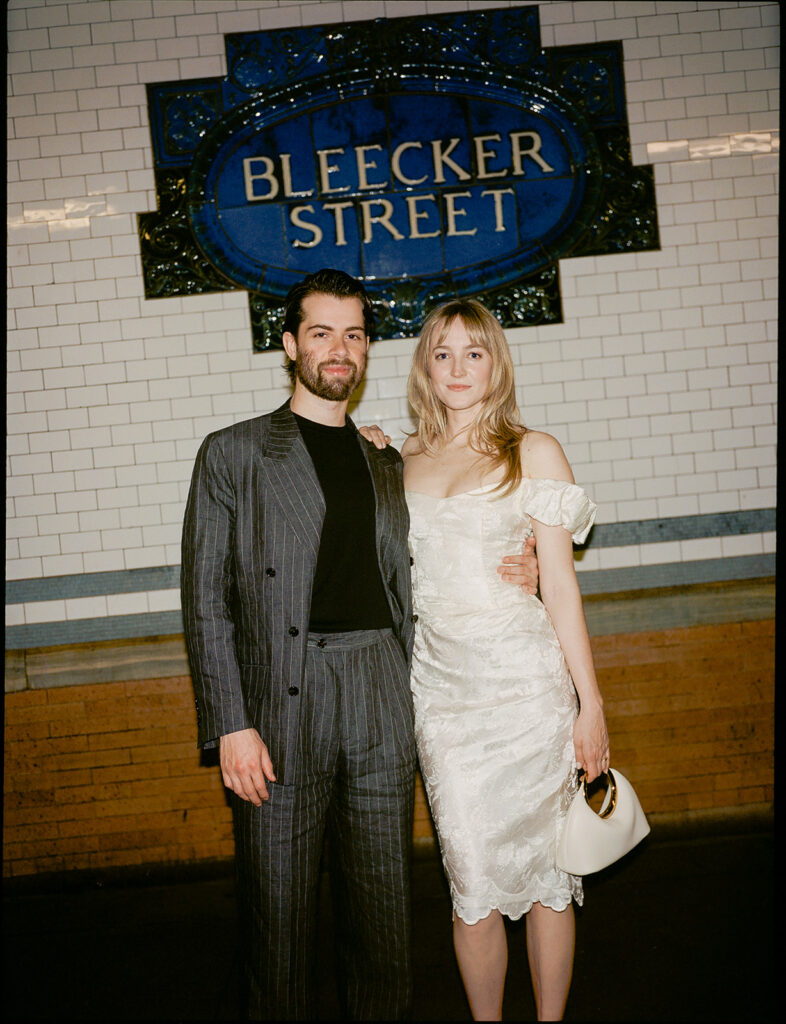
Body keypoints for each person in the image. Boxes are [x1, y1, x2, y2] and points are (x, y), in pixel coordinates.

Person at [180, 269, 539, 1020]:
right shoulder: (234, 454)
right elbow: (206, 599)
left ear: (366, 350)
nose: (338, 349)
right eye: (321, 333)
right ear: (290, 345)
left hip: (383, 685)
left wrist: (525, 562)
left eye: (353, 334)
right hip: (282, 698)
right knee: (278, 916)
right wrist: (229, 722)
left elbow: (449, 538)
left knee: (383, 915)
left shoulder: (386, 459)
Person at [379, 298, 609, 1022]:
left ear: (496, 363)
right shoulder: (398, 457)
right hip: (443, 697)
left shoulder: (531, 450)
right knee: (471, 884)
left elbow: (562, 590)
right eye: (442, 352)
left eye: (473, 352)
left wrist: (590, 705)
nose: (457, 367)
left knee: (547, 876)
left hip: (527, 689)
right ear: (425, 365)